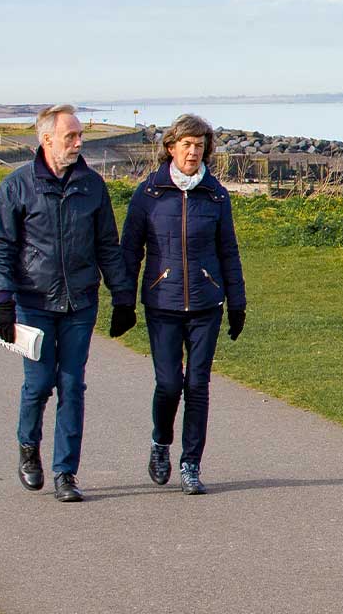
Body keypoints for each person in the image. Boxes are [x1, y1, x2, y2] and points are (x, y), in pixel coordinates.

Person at [0, 104, 136, 503]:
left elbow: (107, 245)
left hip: (80, 303)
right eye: (71, 136)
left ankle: (65, 473)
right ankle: (27, 447)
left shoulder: (92, 186)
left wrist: (122, 297)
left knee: (72, 384)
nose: (78, 142)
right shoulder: (17, 186)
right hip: (33, 303)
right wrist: (3, 301)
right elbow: (0, 247)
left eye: (80, 135)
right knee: (38, 384)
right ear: (46, 139)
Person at [122, 114, 247, 495]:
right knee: (169, 383)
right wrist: (124, 301)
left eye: (200, 145)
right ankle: (161, 442)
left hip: (207, 303)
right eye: (186, 145)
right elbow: (130, 250)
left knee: (197, 384)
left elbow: (228, 250)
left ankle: (190, 464)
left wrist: (237, 302)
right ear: (171, 148)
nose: (193, 152)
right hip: (163, 302)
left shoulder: (216, 195)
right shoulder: (149, 194)